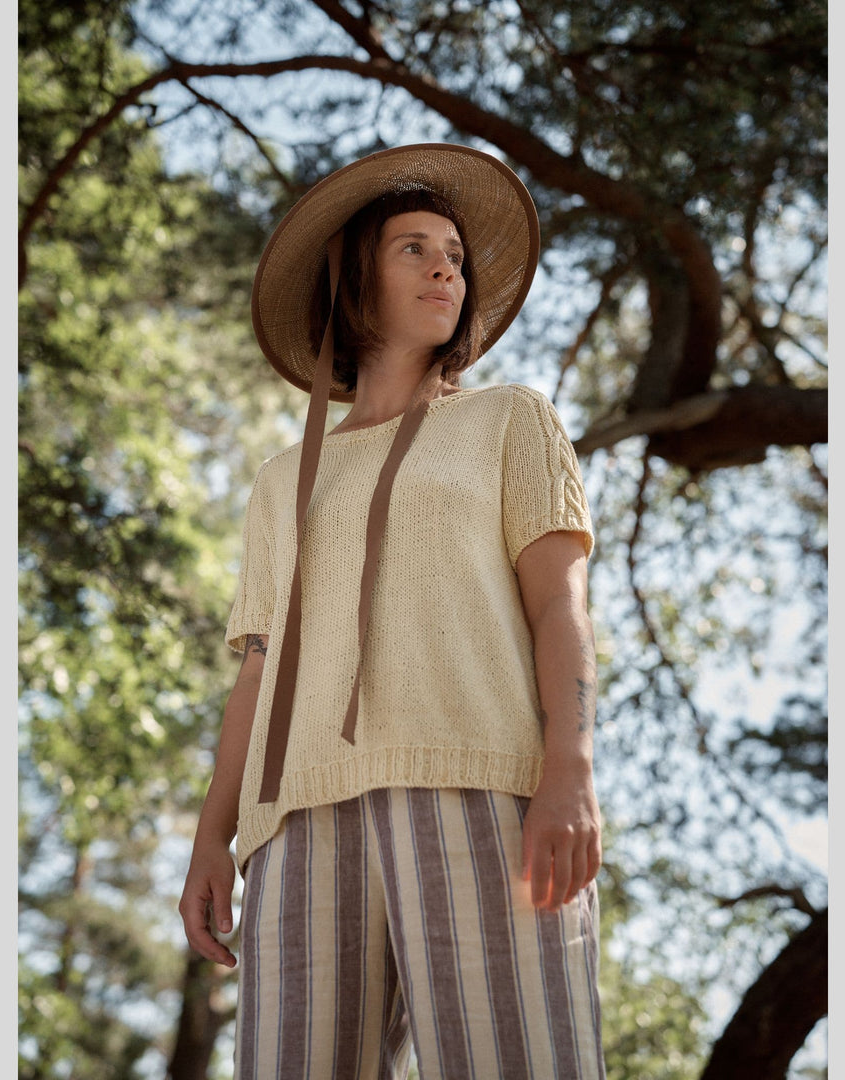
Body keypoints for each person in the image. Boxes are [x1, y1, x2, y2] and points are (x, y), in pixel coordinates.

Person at [179, 143, 607, 1079]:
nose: (446, 265)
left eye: (453, 250)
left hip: (480, 785)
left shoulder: (509, 419)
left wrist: (571, 770)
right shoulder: (279, 480)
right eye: (413, 247)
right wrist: (216, 835)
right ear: (350, 278)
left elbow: (558, 605)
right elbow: (260, 669)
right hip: (295, 823)